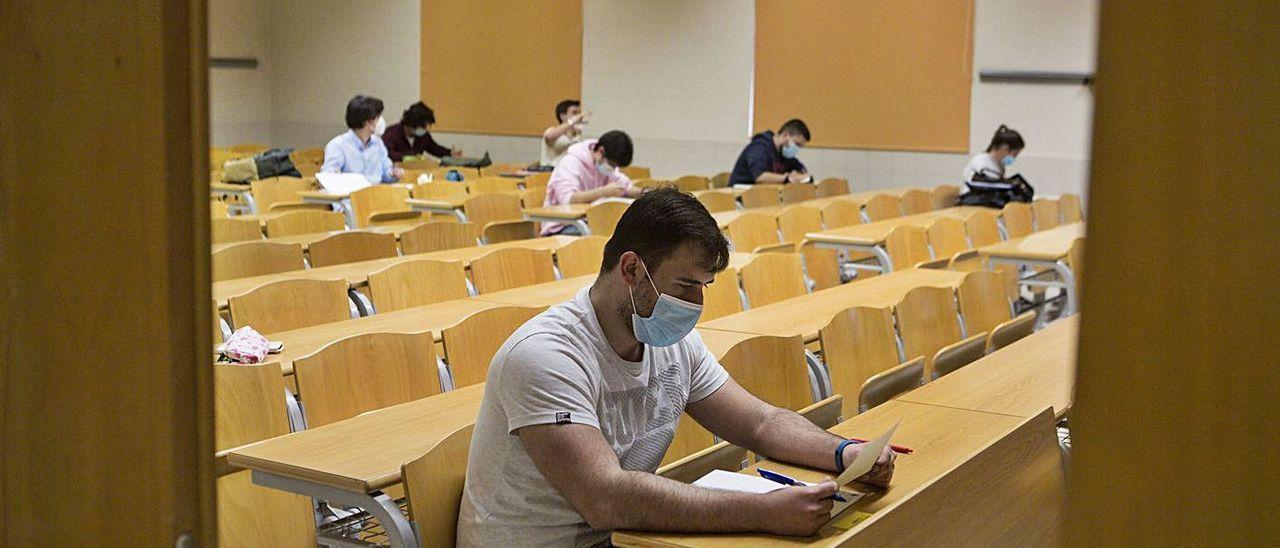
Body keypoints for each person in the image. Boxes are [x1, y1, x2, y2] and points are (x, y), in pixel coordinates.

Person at [457, 188, 896, 547]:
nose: (696, 304)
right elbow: (604, 498)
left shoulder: (674, 344)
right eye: (685, 285)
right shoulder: (546, 356)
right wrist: (763, 510)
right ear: (631, 269)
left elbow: (760, 423)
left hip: (620, 538)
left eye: (703, 287)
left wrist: (844, 453)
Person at [541, 130, 644, 236]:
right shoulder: (570, 162)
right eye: (612, 164)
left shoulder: (604, 164)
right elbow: (568, 199)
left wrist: (644, 192)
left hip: (588, 221)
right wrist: (603, 192)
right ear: (600, 151)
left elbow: (624, 187)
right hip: (562, 226)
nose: (613, 169)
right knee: (610, 237)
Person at [321, 95, 402, 183]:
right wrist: (337, 176)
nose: (380, 121)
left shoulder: (378, 143)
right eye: (377, 117)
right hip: (350, 194)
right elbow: (329, 177)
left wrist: (394, 174)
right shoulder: (337, 146)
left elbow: (386, 173)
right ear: (368, 122)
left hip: (376, 193)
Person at [728, 119, 813, 186]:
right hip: (740, 196)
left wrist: (800, 174)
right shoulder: (759, 147)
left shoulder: (783, 153)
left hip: (761, 195)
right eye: (797, 143)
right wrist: (787, 178)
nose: (797, 148)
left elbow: (800, 168)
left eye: (800, 146)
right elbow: (760, 176)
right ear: (785, 135)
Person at [380, 101, 462, 162]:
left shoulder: (423, 136)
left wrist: (450, 153)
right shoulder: (391, 134)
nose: (425, 129)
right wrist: (408, 157)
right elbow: (387, 154)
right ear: (412, 123)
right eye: (423, 126)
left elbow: (435, 148)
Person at [542, 99, 588, 167]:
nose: (579, 117)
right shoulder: (551, 130)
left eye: (579, 113)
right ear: (562, 116)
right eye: (574, 113)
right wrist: (572, 121)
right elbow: (549, 137)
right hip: (551, 171)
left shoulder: (578, 135)